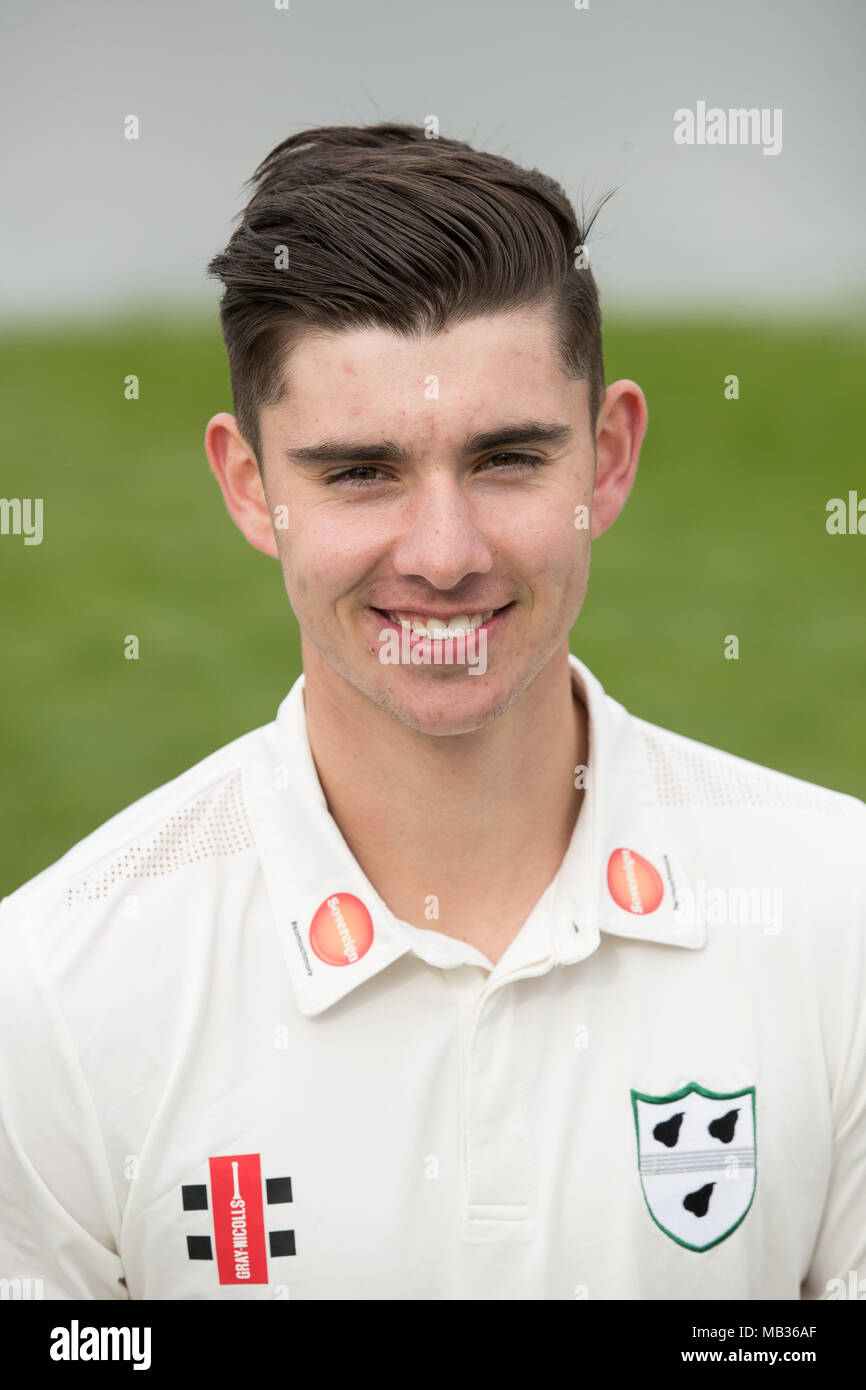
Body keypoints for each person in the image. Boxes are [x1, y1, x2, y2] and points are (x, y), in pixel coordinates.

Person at [0, 123, 862, 1302]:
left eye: (507, 458)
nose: (445, 554)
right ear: (251, 488)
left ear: (606, 459)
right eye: (359, 472)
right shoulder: (51, 989)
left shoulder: (840, 916)